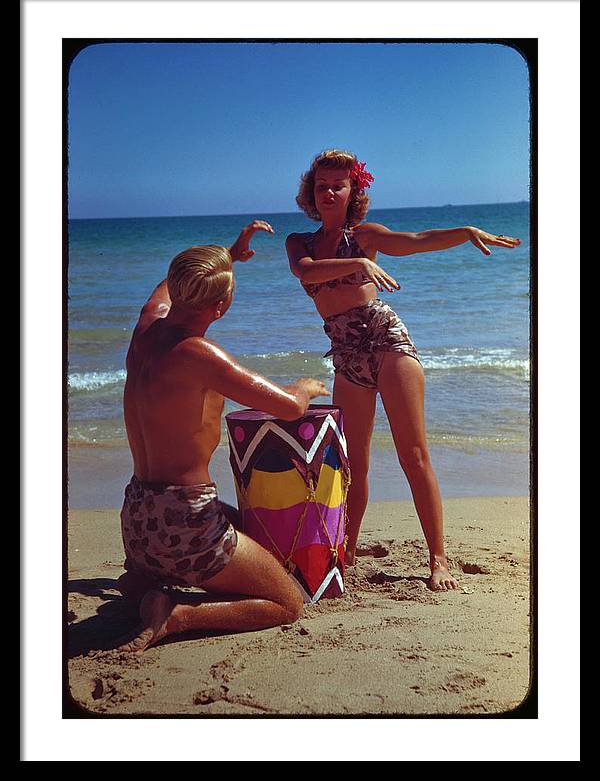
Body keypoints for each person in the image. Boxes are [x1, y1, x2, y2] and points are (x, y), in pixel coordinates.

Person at [285, 150, 521, 591]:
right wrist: (359, 264)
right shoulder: (299, 242)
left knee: (413, 454)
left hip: (387, 342)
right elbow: (307, 272)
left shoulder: (366, 235)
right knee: (351, 463)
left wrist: (464, 231)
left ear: (353, 192)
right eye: (322, 186)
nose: (330, 192)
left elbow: (417, 239)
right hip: (346, 353)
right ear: (311, 194)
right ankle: (348, 547)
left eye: (339, 185)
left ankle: (438, 559)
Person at [116, 220, 328, 652]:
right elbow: (288, 408)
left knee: (244, 525)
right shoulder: (202, 356)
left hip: (137, 518)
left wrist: (229, 254)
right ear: (221, 305)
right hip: (185, 521)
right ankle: (178, 616)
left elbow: (167, 287)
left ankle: (142, 583)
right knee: (287, 602)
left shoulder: (144, 330)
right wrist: (305, 388)